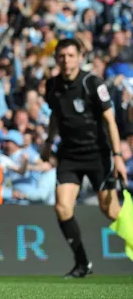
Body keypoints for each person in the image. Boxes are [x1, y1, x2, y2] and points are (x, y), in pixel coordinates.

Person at [42, 38, 129, 278]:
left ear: (80, 57)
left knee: (110, 210)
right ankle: (82, 264)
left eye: (71, 55)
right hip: (69, 155)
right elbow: (55, 116)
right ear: (56, 58)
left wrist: (118, 155)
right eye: (61, 56)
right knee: (62, 207)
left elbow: (110, 120)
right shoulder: (51, 86)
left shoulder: (92, 83)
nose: (66, 61)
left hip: (97, 154)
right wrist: (49, 143)